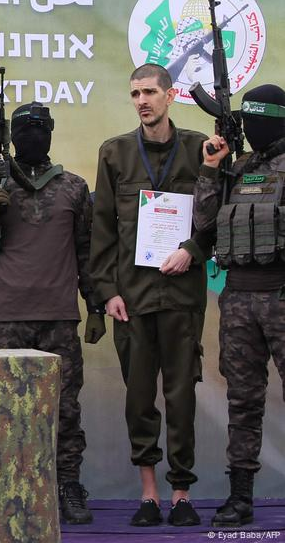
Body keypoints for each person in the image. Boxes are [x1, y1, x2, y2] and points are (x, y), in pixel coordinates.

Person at [0, 102, 96, 524]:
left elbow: (86, 252)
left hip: (58, 316)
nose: (34, 136)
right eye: (25, 129)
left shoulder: (74, 187)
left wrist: (96, 307)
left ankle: (68, 486)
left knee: (65, 410)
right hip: (6, 317)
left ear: (51, 133)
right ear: (12, 138)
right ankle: (9, 489)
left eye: (41, 128)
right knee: (6, 410)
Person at [89, 63, 210, 527]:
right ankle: (149, 494)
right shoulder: (115, 153)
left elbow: (217, 216)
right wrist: (106, 292)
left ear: (170, 95)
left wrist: (193, 250)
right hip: (132, 301)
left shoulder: (201, 149)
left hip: (181, 296)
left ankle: (181, 493)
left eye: (150, 92)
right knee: (139, 398)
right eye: (135, 93)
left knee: (181, 397)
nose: (142, 101)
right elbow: (101, 229)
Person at [193, 83, 285, 528]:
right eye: (247, 120)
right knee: (243, 401)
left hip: (282, 293)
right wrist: (212, 169)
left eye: (259, 120)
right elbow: (205, 225)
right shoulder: (239, 167)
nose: (252, 128)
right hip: (239, 299)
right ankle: (240, 497)